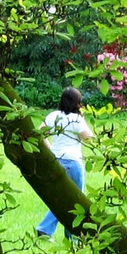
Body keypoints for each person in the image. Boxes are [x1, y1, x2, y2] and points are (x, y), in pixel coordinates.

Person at [35, 87, 95, 239]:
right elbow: (89, 138)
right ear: (77, 103)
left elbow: (39, 134)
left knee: (60, 198)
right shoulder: (77, 119)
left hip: (55, 161)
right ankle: (70, 234)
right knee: (76, 202)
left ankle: (45, 230)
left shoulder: (53, 116)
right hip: (73, 162)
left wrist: (52, 149)